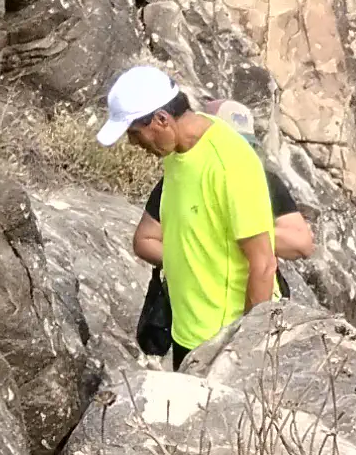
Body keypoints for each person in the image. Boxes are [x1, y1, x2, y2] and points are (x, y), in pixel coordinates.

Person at [96, 62, 281, 358]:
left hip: (222, 342)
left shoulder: (230, 164)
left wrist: (247, 354)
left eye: (134, 132)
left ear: (161, 119)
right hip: (187, 332)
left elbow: (263, 265)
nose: (132, 143)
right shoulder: (179, 150)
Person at [127, 92, 317, 359]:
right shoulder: (179, 157)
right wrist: (198, 252)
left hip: (224, 335)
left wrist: (238, 231)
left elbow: (284, 253)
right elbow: (145, 239)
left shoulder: (241, 171)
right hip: (188, 329)